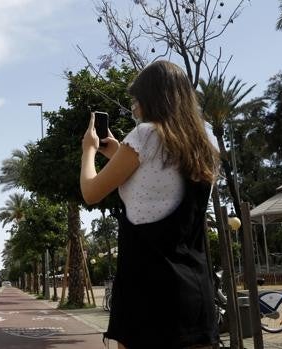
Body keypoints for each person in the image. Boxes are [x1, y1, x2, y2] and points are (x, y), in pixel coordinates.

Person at [80, 60, 219, 349]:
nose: (134, 106)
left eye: (136, 99)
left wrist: (89, 151)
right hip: (195, 289)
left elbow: (91, 191)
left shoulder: (145, 135)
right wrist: (119, 152)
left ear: (150, 98)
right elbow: (159, 178)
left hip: (146, 289)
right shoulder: (205, 140)